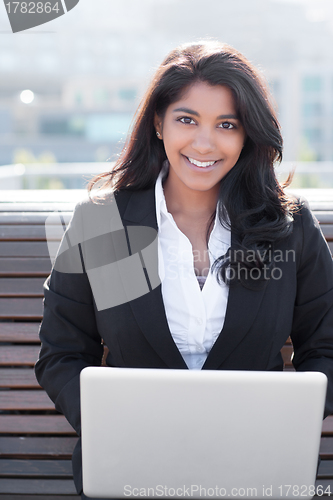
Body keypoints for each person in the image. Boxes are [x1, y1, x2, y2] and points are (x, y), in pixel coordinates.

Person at [35, 40, 333, 500]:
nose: (204, 143)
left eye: (227, 124)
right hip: (129, 469)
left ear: (247, 134)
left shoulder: (287, 228)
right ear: (158, 122)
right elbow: (61, 354)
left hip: (257, 468)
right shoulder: (105, 224)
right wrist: (114, 427)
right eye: (187, 119)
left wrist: (285, 424)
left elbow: (328, 346)